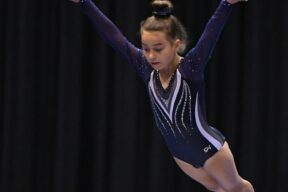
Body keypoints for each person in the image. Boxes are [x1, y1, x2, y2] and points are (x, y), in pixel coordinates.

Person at [69, 0, 254, 191]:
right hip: (181, 155)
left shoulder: (190, 68)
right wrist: (85, 3)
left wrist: (226, 4)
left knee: (236, 188)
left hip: (208, 148)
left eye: (158, 49)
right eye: (146, 48)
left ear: (176, 44)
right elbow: (113, 36)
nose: (150, 56)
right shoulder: (146, 69)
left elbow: (210, 34)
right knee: (216, 188)